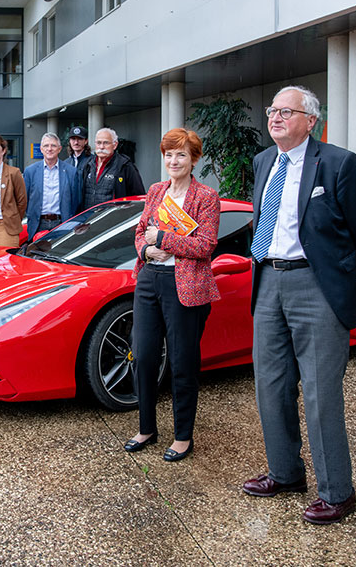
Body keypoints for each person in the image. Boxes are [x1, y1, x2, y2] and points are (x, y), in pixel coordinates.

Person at [243, 86, 356, 525]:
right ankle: (285, 473)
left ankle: (337, 492)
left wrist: (335, 274)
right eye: (272, 110)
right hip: (268, 280)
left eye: (287, 111)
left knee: (321, 393)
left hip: (315, 286)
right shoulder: (264, 162)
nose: (276, 117)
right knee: (270, 385)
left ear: (311, 120)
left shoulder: (340, 163)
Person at [124, 129, 220, 463]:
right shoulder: (155, 191)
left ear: (194, 159)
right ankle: (146, 427)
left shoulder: (205, 196)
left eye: (181, 155)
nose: (173, 161)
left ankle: (183, 436)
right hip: (150, 280)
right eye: (168, 154)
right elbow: (139, 232)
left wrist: (163, 239)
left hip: (186, 286)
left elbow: (205, 246)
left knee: (182, 363)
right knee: (144, 356)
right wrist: (147, 249)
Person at [24, 132, 79, 237]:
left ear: (59, 149)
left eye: (53, 145)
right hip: (38, 224)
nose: (49, 149)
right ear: (41, 149)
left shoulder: (71, 172)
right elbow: (25, 199)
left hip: (62, 223)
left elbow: (75, 200)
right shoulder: (30, 171)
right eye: (46, 146)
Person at [80, 127, 145, 210]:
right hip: (89, 219)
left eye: (106, 143)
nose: (101, 147)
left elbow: (138, 197)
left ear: (115, 145)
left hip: (112, 220)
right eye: (98, 143)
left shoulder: (125, 166)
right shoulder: (88, 164)